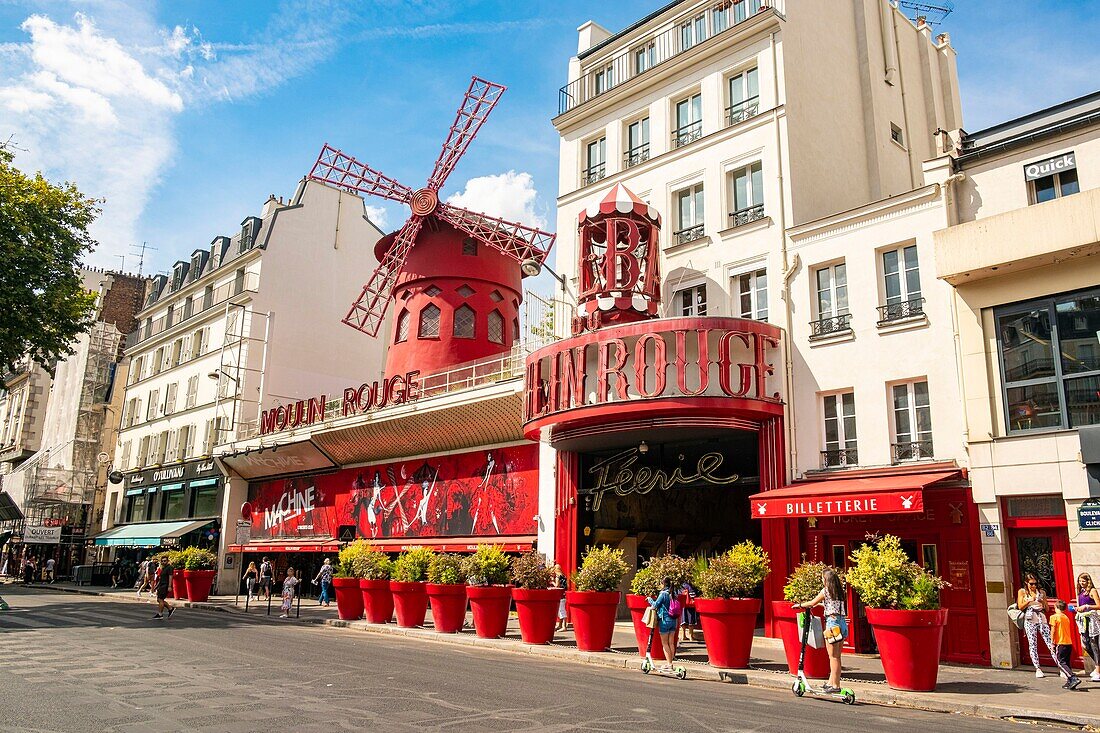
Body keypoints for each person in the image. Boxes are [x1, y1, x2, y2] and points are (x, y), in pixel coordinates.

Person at [794, 567, 848, 694]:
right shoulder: (839, 592)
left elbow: (811, 603)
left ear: (826, 580)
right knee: (837, 657)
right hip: (842, 623)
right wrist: (821, 605)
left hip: (832, 623)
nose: (822, 581)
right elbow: (831, 605)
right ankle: (831, 682)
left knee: (833, 657)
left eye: (823, 578)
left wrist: (799, 605)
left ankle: (835, 685)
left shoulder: (826, 590)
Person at [1017, 573, 1075, 681]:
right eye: (1031, 584)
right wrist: (1030, 600)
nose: (1034, 586)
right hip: (1030, 620)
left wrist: (1042, 601)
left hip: (1041, 618)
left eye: (1035, 583)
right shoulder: (1022, 592)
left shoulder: (1042, 592)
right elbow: (1020, 606)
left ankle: (1061, 667)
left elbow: (1047, 609)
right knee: (1033, 644)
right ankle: (1037, 668)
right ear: (1026, 583)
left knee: (1051, 643)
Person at [646, 576, 679, 671]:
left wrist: (649, 599)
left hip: (665, 620)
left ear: (663, 583)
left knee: (665, 644)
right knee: (671, 643)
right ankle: (671, 662)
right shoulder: (674, 593)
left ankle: (669, 664)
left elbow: (655, 605)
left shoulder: (663, 594)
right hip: (674, 620)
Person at [1074, 572, 1100, 682]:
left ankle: (1098, 671)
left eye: (1083, 581)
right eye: (1080, 581)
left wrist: (1087, 606)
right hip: (1083, 620)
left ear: (1088, 581)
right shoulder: (1080, 592)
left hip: (1091, 620)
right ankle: (1098, 666)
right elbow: (1080, 606)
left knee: (1094, 645)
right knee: (1085, 644)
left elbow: (1099, 605)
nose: (1081, 583)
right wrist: (1078, 609)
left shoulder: (1092, 591)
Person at [1050, 600, 1081, 690]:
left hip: (1060, 642)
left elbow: (1053, 630)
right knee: (1066, 662)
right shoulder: (1066, 617)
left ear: (1056, 608)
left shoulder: (1054, 617)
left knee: (1060, 662)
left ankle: (1072, 677)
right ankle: (1069, 681)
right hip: (1068, 643)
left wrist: (1052, 642)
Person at [552, 564, 568, 631]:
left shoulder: (558, 577)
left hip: (560, 595)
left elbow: (557, 586)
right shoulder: (564, 576)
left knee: (561, 610)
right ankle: (560, 625)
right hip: (564, 594)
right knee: (560, 609)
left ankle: (564, 626)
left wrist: (552, 582)